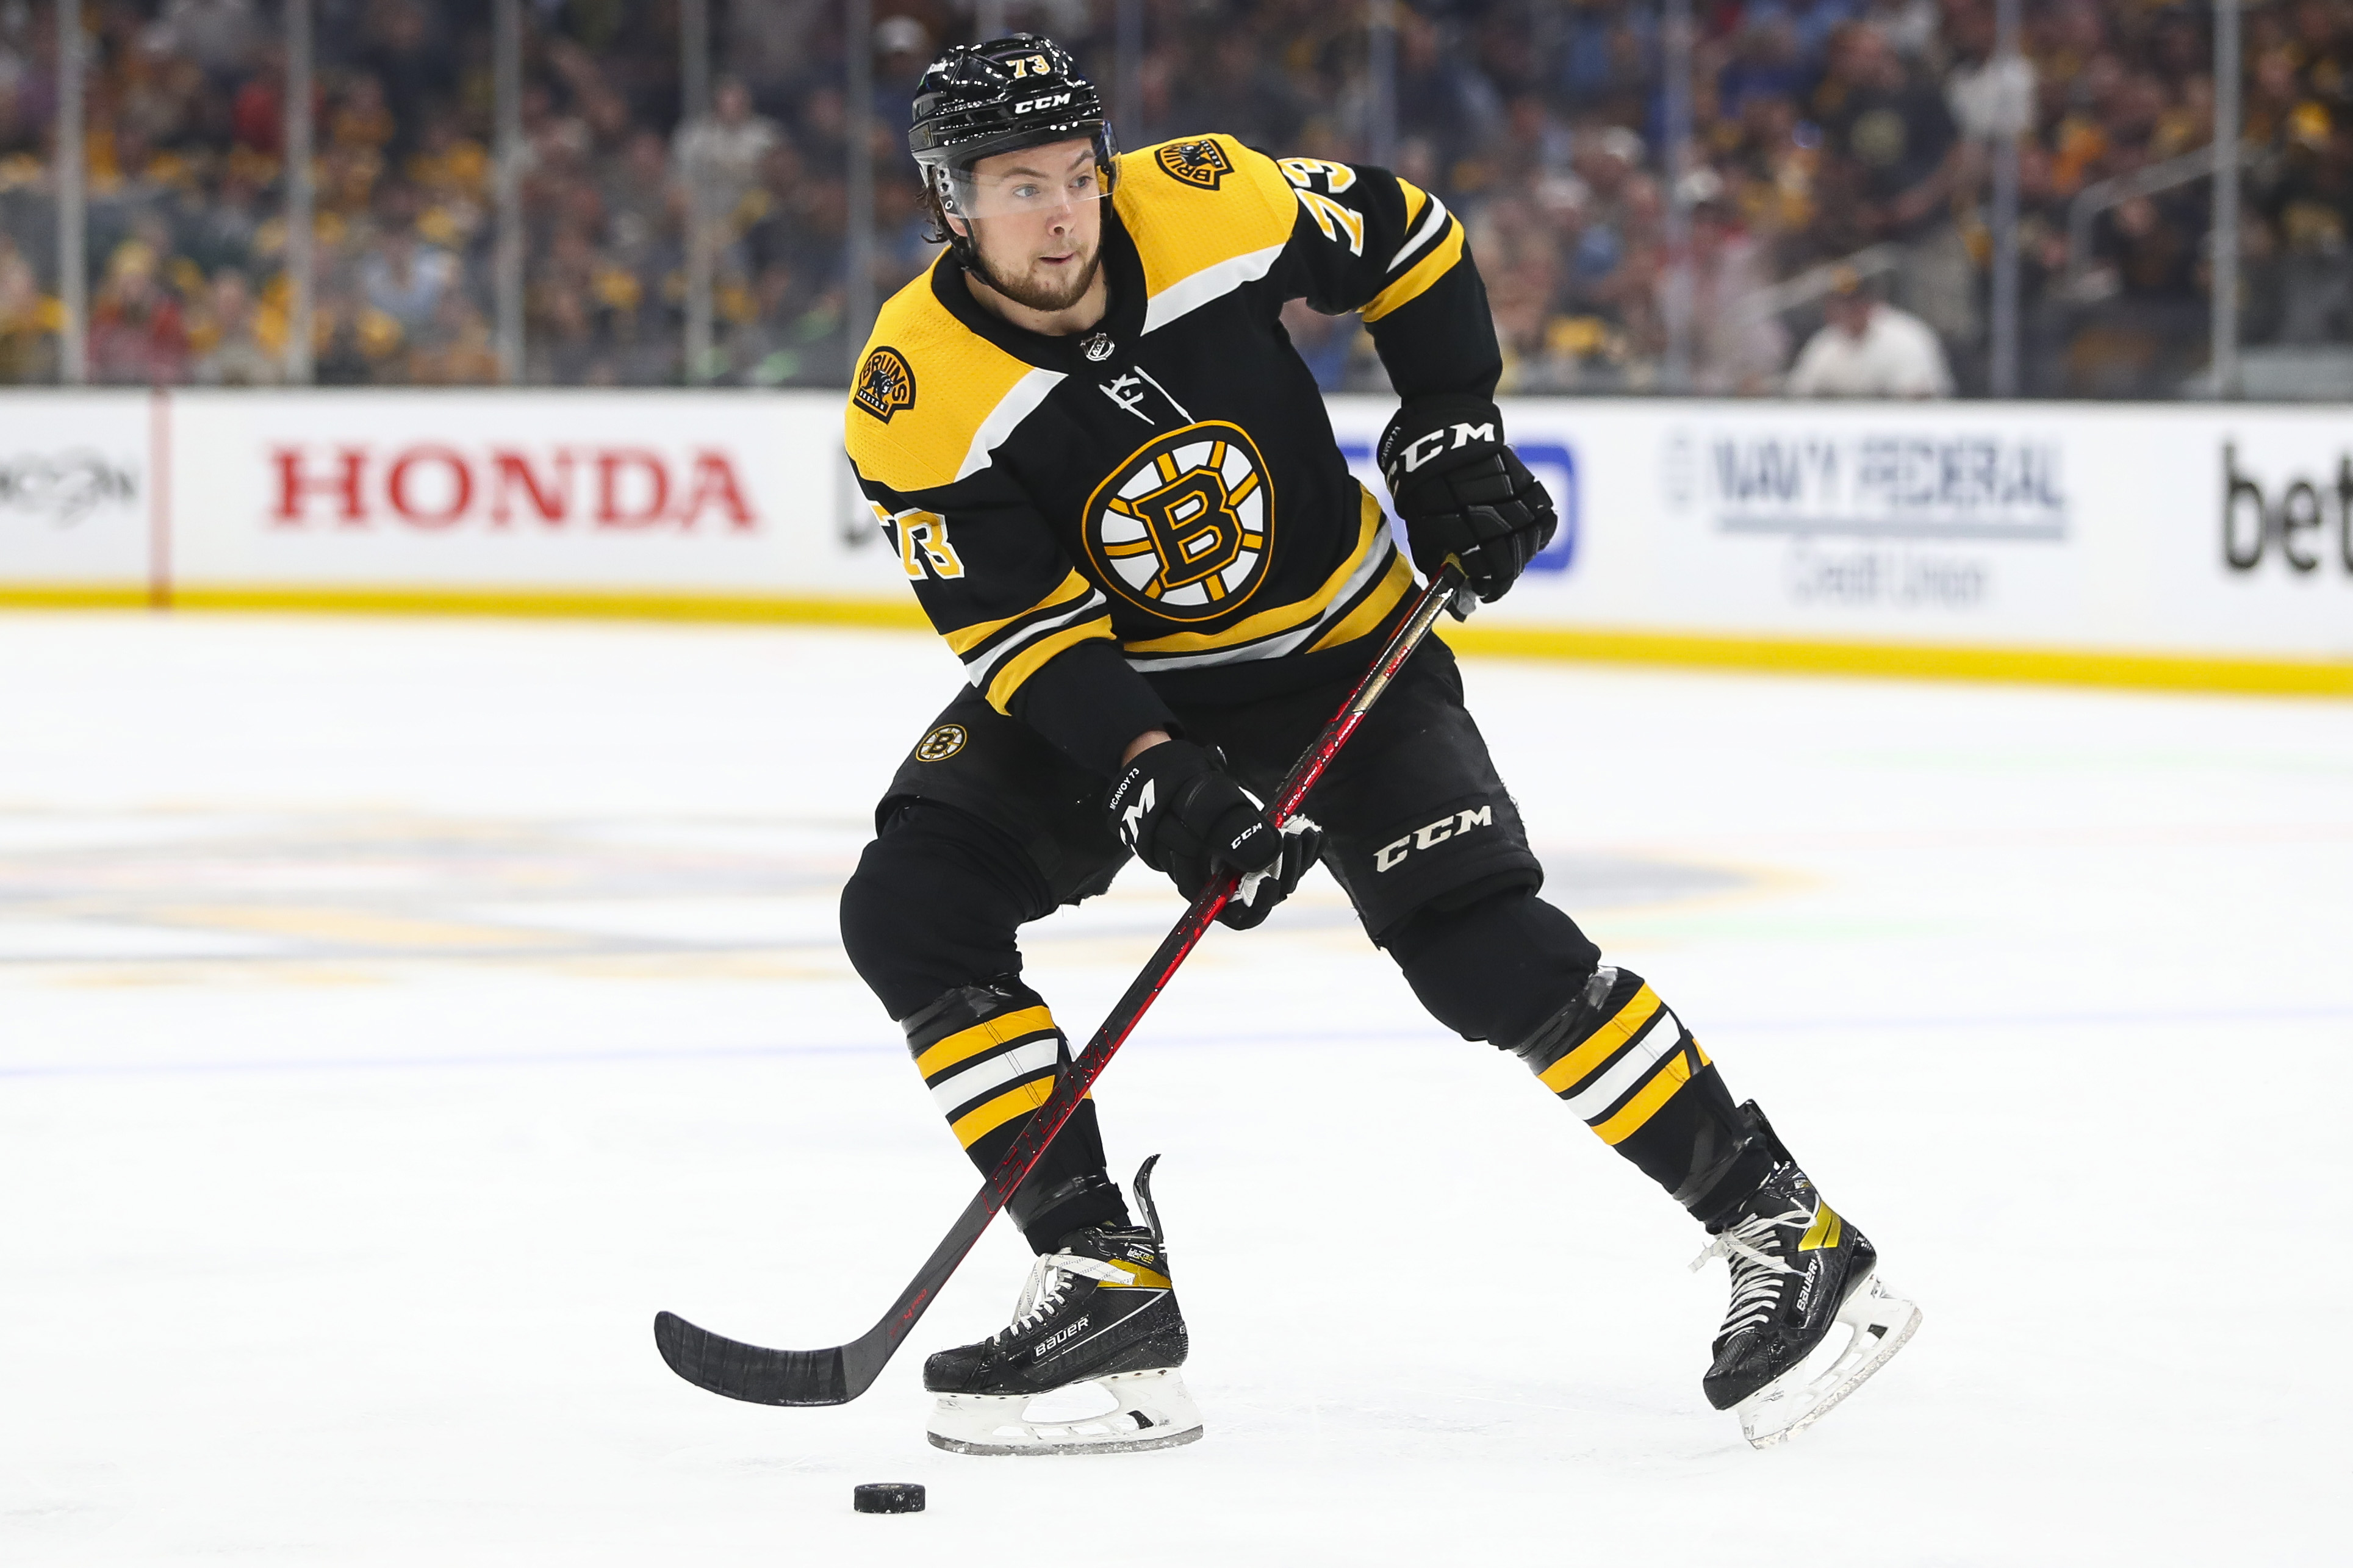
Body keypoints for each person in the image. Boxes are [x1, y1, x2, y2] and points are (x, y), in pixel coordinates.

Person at [840, 34, 1919, 1458]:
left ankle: (1785, 1224)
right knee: (915, 908)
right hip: (1129, 684)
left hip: (1343, 643)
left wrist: (1452, 424)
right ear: (951, 205)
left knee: (1476, 942)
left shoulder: (1212, 197)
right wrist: (1155, 771)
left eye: (1077, 178)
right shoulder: (910, 392)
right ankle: (1101, 1277)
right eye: (1018, 186)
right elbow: (1029, 637)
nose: (1060, 214)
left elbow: (1411, 240)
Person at [1785, 268, 1954, 396]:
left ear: (1872, 302)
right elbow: (1800, 392)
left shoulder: (1906, 335)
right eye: (1842, 303)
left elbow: (1921, 397)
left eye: (1857, 301)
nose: (1850, 309)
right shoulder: (1826, 342)